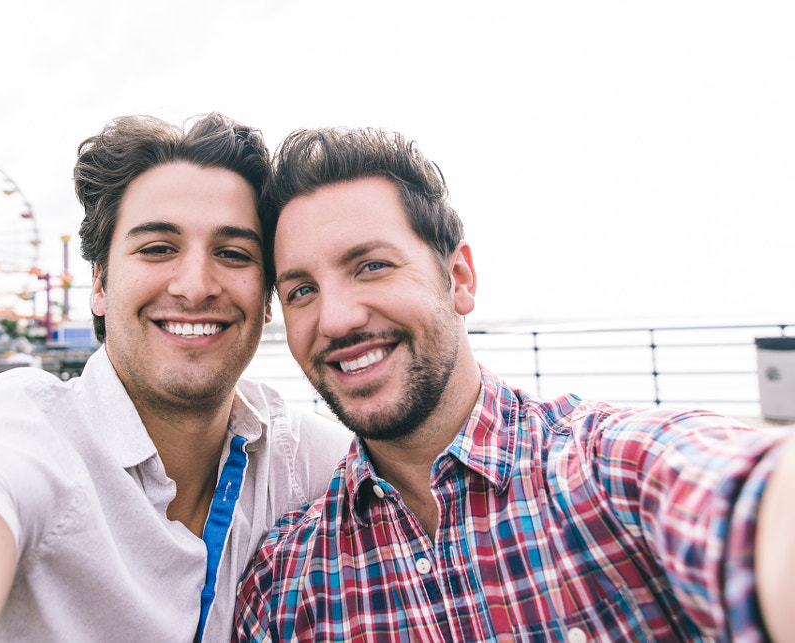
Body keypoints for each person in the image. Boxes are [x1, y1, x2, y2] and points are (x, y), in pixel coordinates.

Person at [0, 113, 350, 643]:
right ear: (98, 285)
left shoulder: (307, 461)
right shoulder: (22, 433)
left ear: (267, 297)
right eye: (157, 248)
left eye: (233, 254)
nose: (195, 284)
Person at [234, 126, 795, 642]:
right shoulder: (285, 591)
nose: (335, 320)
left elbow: (747, 500)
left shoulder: (614, 471)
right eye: (301, 290)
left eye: (372, 266)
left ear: (458, 279)